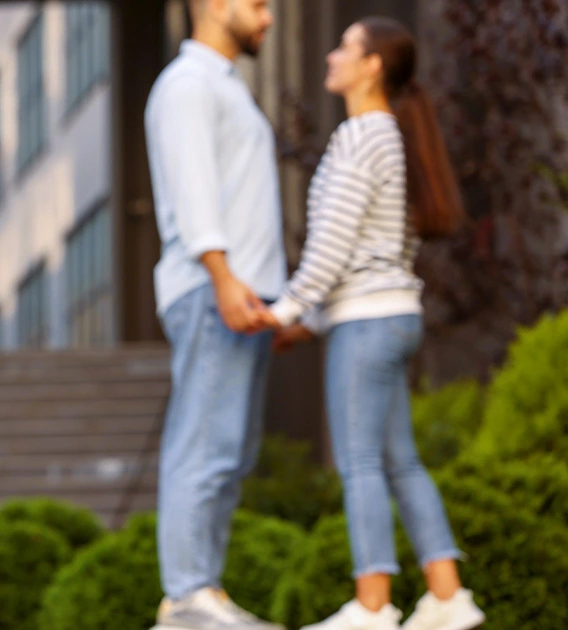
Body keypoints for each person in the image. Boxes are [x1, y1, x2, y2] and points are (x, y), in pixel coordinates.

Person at [264, 16, 486, 630]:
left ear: (372, 66)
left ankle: (373, 605)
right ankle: (447, 596)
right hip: (391, 316)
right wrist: (309, 320)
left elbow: (332, 245)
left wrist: (285, 308)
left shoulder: (362, 136)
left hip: (366, 322)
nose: (332, 55)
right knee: (400, 461)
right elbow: (373, 245)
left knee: (360, 463)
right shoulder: (392, 135)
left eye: (346, 47)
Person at [142, 1, 285, 628]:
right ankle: (186, 597)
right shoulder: (187, 85)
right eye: (257, 4)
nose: (269, 17)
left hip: (241, 295)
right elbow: (195, 188)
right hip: (212, 289)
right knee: (203, 444)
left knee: (229, 449)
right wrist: (225, 279)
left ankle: (202, 591)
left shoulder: (224, 87)